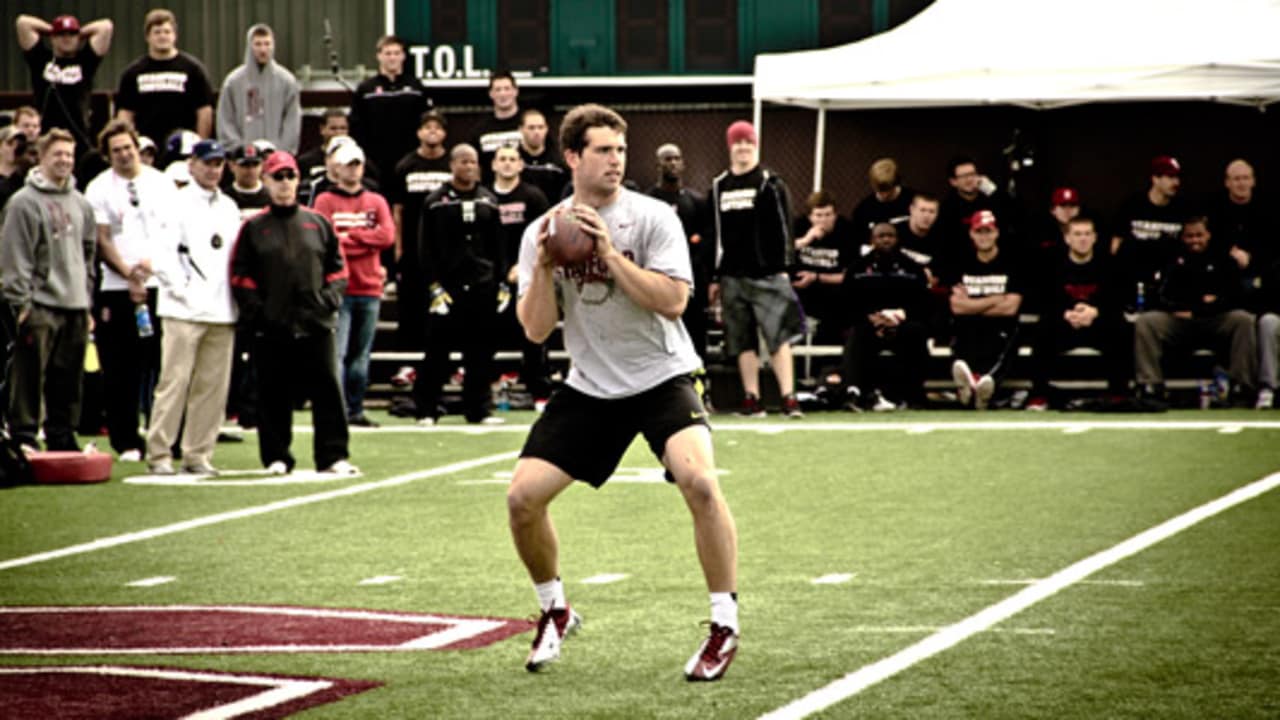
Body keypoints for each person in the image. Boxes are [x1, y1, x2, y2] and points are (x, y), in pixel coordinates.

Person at [508, 103, 739, 681]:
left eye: (619, 150)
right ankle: (554, 609)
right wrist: (541, 267)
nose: (615, 161)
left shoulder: (652, 217)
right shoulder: (546, 229)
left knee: (701, 484)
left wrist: (609, 256)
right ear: (572, 157)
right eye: (603, 151)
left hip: (661, 375)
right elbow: (536, 330)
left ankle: (723, 623)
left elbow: (674, 302)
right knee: (521, 500)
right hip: (591, 385)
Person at [229, 151, 357, 475]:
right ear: (267, 181)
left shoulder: (317, 223)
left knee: (328, 389)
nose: (284, 183)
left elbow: (338, 269)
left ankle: (332, 456)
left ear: (298, 180)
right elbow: (240, 275)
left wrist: (328, 300)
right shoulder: (254, 228)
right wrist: (259, 312)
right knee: (272, 392)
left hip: (315, 323)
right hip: (272, 326)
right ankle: (276, 456)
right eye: (277, 177)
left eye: (290, 176)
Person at [143, 139, 240, 474]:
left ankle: (198, 453)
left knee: (212, 387)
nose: (214, 170)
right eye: (208, 163)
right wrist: (183, 291)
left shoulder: (228, 206)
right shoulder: (175, 203)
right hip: (182, 310)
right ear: (192, 165)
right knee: (174, 382)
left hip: (222, 310)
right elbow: (163, 254)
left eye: (218, 164)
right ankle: (159, 453)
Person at [84, 120, 179, 460]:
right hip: (116, 288)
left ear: (137, 147)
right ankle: (126, 441)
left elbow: (172, 232)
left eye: (128, 147)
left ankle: (166, 438)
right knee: (121, 369)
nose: (124, 155)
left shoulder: (162, 183)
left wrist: (150, 267)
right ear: (107, 155)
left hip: (159, 285)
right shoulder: (98, 188)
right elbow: (102, 238)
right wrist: (128, 275)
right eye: (116, 151)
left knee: (165, 365)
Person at [0, 129, 96, 452]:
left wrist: (88, 299)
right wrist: (20, 301)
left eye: (69, 155)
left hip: (76, 303)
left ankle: (62, 432)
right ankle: (24, 435)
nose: (65, 161)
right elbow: (14, 255)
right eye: (58, 154)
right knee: (29, 376)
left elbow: (89, 253)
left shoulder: (81, 203)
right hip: (39, 303)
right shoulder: (22, 203)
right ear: (41, 157)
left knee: (69, 377)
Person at [710, 120, 805, 418]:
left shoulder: (770, 182)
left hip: (767, 274)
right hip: (732, 276)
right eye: (737, 142)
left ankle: (789, 398)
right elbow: (715, 234)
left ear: (756, 145)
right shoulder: (719, 185)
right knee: (741, 340)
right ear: (730, 146)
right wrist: (716, 275)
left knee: (777, 336)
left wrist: (784, 268)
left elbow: (784, 228)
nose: (742, 147)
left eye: (748, 142)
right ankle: (752, 399)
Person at [414, 144, 505, 426]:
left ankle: (478, 410)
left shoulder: (488, 201)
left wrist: (500, 282)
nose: (469, 167)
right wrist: (434, 286)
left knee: (480, 351)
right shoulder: (435, 201)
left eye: (473, 162)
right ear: (452, 165)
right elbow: (424, 247)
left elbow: (498, 246)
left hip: (482, 285)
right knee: (438, 351)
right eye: (463, 161)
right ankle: (427, 409)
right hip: (447, 287)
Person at [313, 141, 395, 427]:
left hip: (369, 287)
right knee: (339, 353)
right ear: (336, 168)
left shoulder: (376, 201)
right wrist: (364, 239)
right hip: (340, 288)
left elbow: (387, 236)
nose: (353, 170)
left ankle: (355, 409)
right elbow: (326, 240)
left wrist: (352, 237)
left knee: (361, 355)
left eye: (357, 164)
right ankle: (337, 409)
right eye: (348, 164)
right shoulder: (324, 200)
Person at [1134, 217, 1257, 406]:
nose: (1194, 240)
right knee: (1147, 321)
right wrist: (1198, 302)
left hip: (1214, 320)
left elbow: (1233, 297)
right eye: (1189, 236)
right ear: (1182, 238)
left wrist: (1198, 309)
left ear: (1208, 235)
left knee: (1243, 320)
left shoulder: (1223, 259)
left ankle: (1242, 385)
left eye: (1199, 235)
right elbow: (1162, 296)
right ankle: (1150, 385)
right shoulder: (1173, 260)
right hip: (1179, 322)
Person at [1026, 217, 1130, 410]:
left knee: (1120, 327)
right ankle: (1039, 395)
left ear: (1095, 238)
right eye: (1077, 234)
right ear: (1067, 238)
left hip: (1097, 324)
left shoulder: (1109, 264)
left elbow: (1118, 299)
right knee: (1042, 330)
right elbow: (1041, 298)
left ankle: (1119, 393)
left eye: (1087, 234)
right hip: (1065, 323)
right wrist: (1065, 313)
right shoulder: (1051, 264)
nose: (1082, 239)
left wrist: (1095, 311)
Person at [387, 110, 452, 390]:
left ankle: (450, 366)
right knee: (410, 308)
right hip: (414, 251)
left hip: (447, 253)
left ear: (445, 133)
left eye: (437, 128)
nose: (432, 132)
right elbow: (397, 211)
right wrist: (398, 247)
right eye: (427, 127)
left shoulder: (454, 164)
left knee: (447, 311)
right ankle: (408, 364)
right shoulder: (406, 166)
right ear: (419, 133)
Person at [839, 222, 930, 410]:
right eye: (881, 236)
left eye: (890, 235)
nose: (886, 239)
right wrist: (871, 319)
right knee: (857, 333)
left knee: (917, 332)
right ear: (872, 240)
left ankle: (914, 395)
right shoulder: (857, 268)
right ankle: (854, 394)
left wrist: (901, 316)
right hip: (868, 325)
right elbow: (846, 303)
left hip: (903, 324)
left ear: (897, 239)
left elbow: (924, 304)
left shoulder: (913, 268)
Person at [945, 209, 1024, 410]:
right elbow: (956, 306)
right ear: (972, 234)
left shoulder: (1013, 263)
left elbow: (1010, 308)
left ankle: (983, 384)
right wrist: (996, 299)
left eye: (988, 231)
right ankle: (974, 387)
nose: (984, 236)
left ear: (996, 232)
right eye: (979, 231)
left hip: (1001, 325)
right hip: (969, 324)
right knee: (960, 328)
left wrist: (973, 304)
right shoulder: (960, 262)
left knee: (1008, 335)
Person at [491, 144, 551, 406]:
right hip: (490, 276)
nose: (506, 163)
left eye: (512, 159)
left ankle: (539, 391)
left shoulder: (533, 197)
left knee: (532, 333)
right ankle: (490, 385)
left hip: (525, 275)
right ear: (493, 164)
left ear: (520, 165)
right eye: (502, 159)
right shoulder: (484, 197)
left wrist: (522, 266)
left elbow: (545, 236)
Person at [648, 143, 713, 364]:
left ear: (683, 164)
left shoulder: (696, 201)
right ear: (658, 165)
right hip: (659, 280)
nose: (673, 163)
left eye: (676, 158)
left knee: (695, 333)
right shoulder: (649, 202)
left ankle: (699, 384)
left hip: (692, 279)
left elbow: (707, 240)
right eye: (667, 159)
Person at [15, 13, 113, 151]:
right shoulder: (41, 59)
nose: (66, 38)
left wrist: (80, 34)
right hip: (47, 137)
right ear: (52, 38)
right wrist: (52, 30)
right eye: (61, 34)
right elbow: (23, 23)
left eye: (71, 34)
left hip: (79, 138)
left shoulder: (85, 61)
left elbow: (106, 26)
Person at [115, 9, 214, 143]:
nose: (162, 36)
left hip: (184, 145)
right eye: (157, 32)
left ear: (175, 35)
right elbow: (125, 115)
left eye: (167, 32)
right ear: (147, 37)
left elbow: (204, 111)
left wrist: (201, 143)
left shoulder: (193, 70)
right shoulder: (133, 73)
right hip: (146, 146)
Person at [348, 35, 428, 191]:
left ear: (403, 56)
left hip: (408, 159)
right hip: (375, 162)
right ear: (379, 56)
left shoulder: (416, 87)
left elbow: (425, 121)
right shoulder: (366, 89)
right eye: (388, 53)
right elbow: (356, 126)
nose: (392, 58)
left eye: (396, 53)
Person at [1111, 155, 1188, 314]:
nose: (1176, 183)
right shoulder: (1132, 205)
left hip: (1168, 282)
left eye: (1177, 178)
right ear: (1155, 179)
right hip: (1134, 280)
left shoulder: (1182, 209)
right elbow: (1115, 246)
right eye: (1170, 177)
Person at [216, 23, 300, 154]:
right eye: (258, 44)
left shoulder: (286, 81)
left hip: (276, 156)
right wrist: (238, 149)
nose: (263, 49)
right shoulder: (233, 81)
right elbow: (225, 119)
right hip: (243, 157)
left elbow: (292, 120)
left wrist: (282, 151)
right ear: (249, 46)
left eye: (267, 44)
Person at [791, 190, 856, 345]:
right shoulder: (799, 226)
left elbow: (850, 275)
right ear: (810, 217)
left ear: (835, 215)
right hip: (800, 291)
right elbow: (777, 253)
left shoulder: (846, 231)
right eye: (818, 215)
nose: (823, 220)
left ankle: (827, 365)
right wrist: (806, 240)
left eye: (828, 215)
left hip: (833, 292)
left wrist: (816, 277)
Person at [471, 71, 523, 185]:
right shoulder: (480, 130)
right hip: (490, 194)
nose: (503, 94)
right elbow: (474, 167)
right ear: (491, 94)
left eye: (507, 88)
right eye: (498, 90)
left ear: (515, 91)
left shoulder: (529, 125)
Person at [850, 157, 915, 234]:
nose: (884, 195)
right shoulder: (862, 210)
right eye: (880, 190)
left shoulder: (915, 202)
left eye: (888, 189)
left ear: (896, 182)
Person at [517, 107, 568, 203]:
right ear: (521, 129)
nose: (536, 132)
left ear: (546, 129)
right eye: (531, 128)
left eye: (540, 127)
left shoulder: (559, 161)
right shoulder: (513, 159)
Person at [298, 108, 348, 188]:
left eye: (343, 128)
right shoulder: (306, 161)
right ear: (322, 129)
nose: (339, 133)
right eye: (333, 128)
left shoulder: (358, 162)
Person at [225, 143, 270, 220]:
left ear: (262, 166)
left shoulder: (271, 197)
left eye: (255, 164)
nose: (251, 170)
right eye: (245, 165)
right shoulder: (224, 198)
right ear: (232, 166)